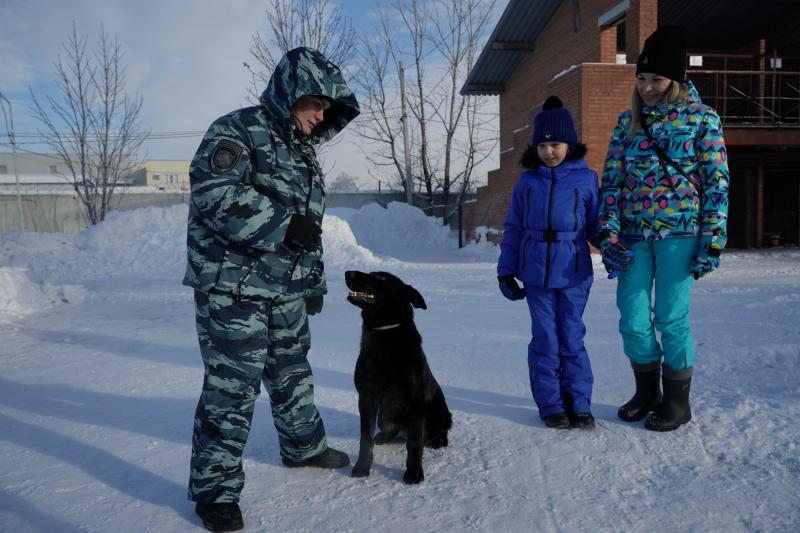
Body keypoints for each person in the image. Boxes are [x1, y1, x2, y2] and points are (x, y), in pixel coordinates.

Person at [182, 47, 359, 531]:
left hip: (285, 289)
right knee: (231, 388)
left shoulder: (303, 152)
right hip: (232, 288)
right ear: (289, 94)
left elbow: (311, 228)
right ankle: (215, 491)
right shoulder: (236, 130)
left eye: (328, 108)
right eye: (315, 104)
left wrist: (312, 280)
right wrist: (282, 226)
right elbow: (215, 193)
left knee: (292, 370)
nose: (322, 115)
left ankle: (304, 447)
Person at [598, 26, 729, 432]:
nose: (648, 87)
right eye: (641, 79)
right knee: (633, 318)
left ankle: (676, 401)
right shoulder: (627, 123)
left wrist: (713, 241)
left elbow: (716, 182)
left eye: (656, 79)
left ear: (676, 80)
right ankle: (647, 392)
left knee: (671, 318)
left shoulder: (702, 119)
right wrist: (609, 233)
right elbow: (612, 183)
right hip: (635, 237)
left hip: (682, 236)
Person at [497, 96, 599, 430]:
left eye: (555, 144)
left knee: (571, 336)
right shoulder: (527, 182)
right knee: (545, 338)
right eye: (542, 146)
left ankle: (579, 404)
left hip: (574, 271)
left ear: (569, 144)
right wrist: (506, 270)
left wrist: (613, 246)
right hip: (536, 272)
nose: (549, 152)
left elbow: (596, 225)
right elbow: (513, 228)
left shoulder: (586, 180)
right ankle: (552, 404)